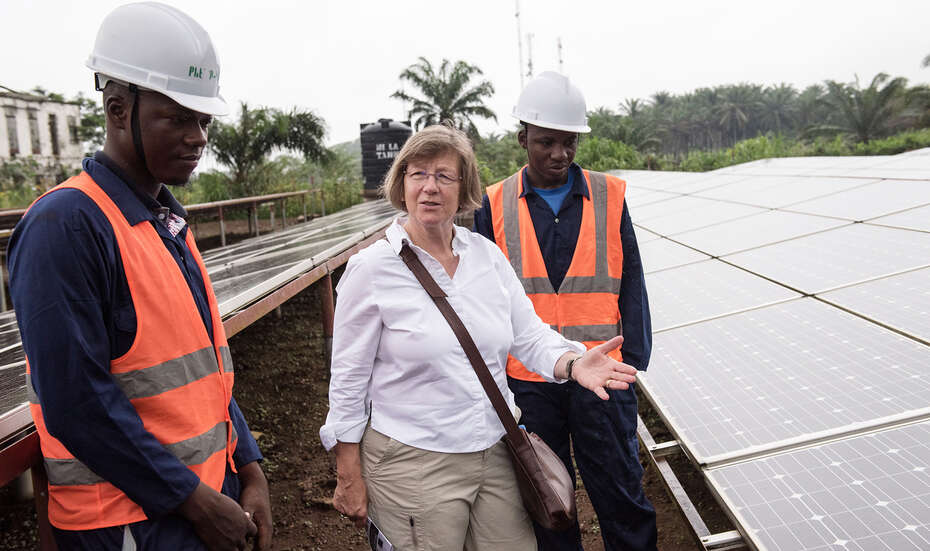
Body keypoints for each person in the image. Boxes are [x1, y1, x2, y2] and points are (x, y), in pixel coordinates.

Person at [8, 3, 271, 550]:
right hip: (126, 521)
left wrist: (249, 467)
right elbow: (77, 402)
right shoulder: (68, 225)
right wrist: (197, 504)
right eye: (177, 118)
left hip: (196, 502)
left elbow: (204, 372)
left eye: (203, 121)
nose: (197, 138)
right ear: (118, 107)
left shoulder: (166, 224)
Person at [320, 124, 640, 551]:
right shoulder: (372, 270)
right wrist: (348, 473)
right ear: (402, 184)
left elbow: (529, 337)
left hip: (496, 451)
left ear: (463, 187)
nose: (429, 188)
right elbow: (347, 381)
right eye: (418, 174)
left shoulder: (485, 257)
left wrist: (573, 362)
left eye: (444, 176)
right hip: (414, 460)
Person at [472, 71, 656, 551]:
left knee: (620, 493)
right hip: (529, 381)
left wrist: (631, 359)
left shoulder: (610, 197)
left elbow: (632, 282)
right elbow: (481, 299)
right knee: (548, 502)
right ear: (523, 139)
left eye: (568, 142)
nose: (559, 154)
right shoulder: (491, 206)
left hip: (602, 374)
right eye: (546, 142)